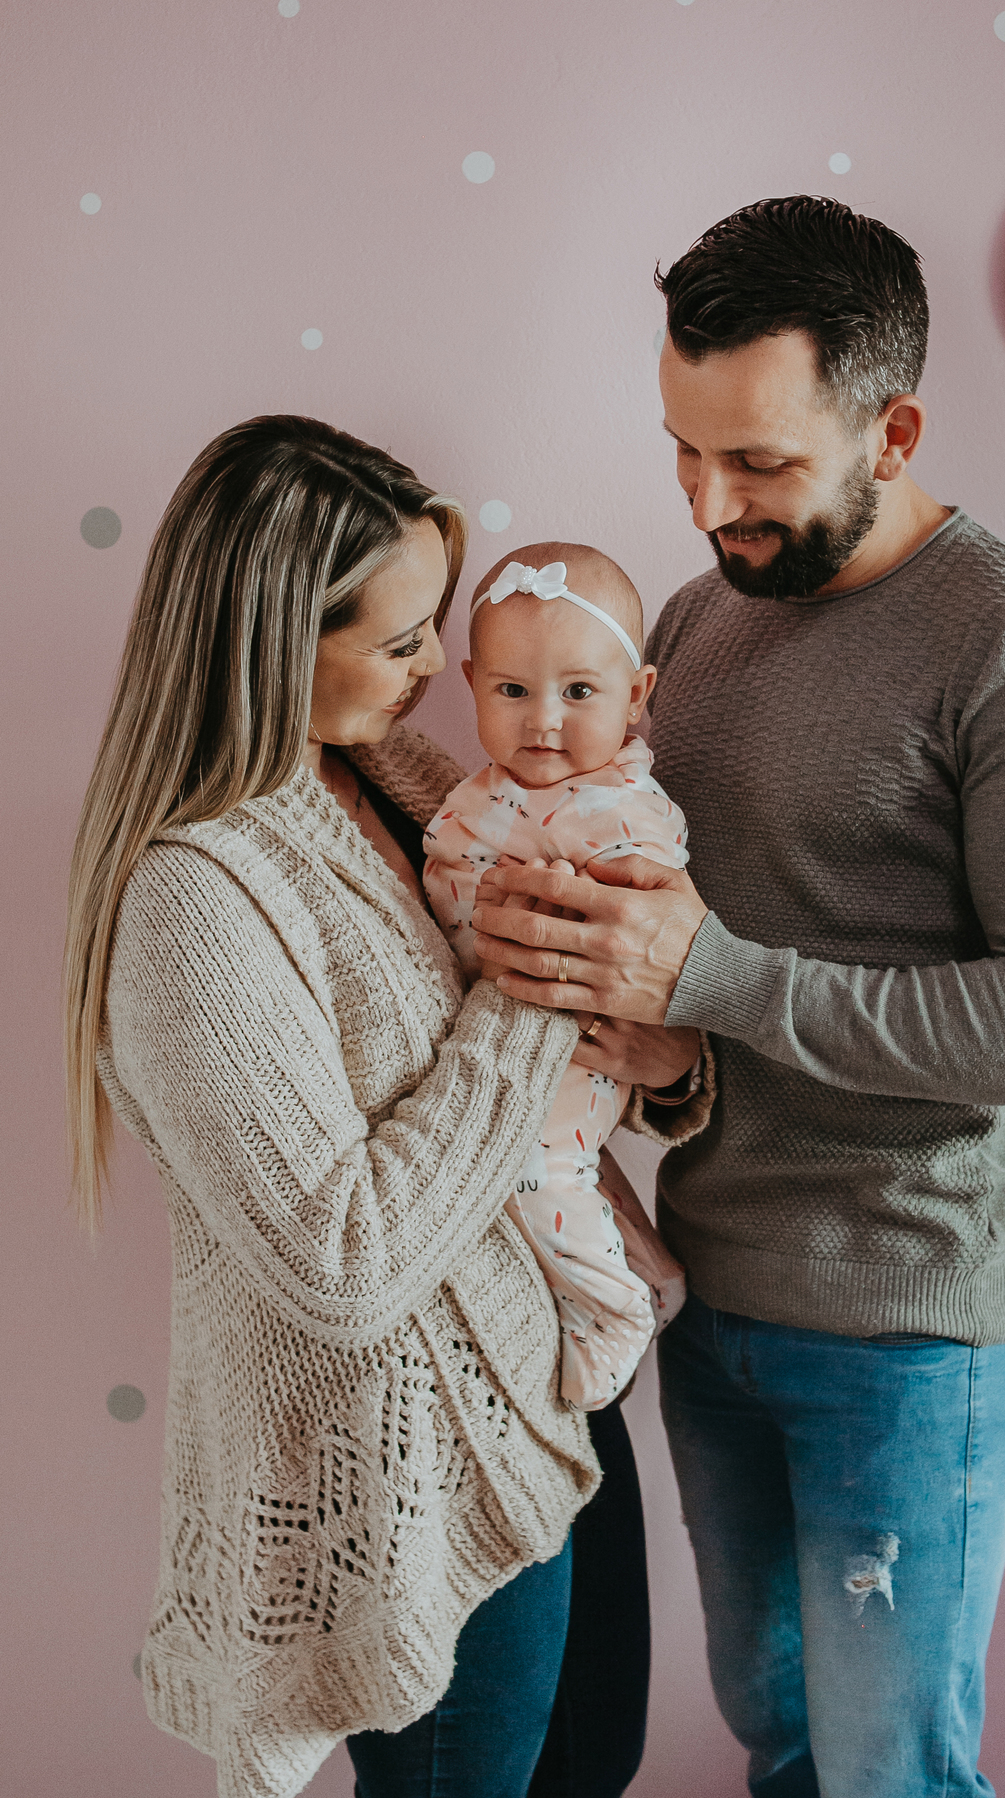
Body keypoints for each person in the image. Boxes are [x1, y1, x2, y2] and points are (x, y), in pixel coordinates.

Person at [467, 197, 1005, 1797]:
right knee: (781, 1747)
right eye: (684, 451)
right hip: (715, 1300)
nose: (711, 505)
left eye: (760, 463)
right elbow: (698, 980)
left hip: (911, 1331)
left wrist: (709, 976)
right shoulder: (697, 626)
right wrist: (653, 1046)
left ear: (893, 425)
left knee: (889, 1776)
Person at [62, 415, 711, 1798]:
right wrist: (532, 991)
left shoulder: (409, 784)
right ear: (278, 639)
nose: (439, 675)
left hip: (552, 1388)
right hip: (409, 1466)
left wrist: (664, 1064)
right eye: (407, 639)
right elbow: (338, 1262)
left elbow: (568, 1068)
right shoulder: (196, 899)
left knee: (594, 1760)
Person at [423, 543, 697, 1411]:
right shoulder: (481, 788)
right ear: (471, 684)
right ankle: (613, 1269)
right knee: (532, 1173)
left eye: (579, 692)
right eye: (512, 691)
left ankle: (614, 1307)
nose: (544, 719)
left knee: (537, 1167)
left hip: (575, 1038)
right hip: (502, 1031)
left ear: (636, 696)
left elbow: (643, 935)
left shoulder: (621, 808)